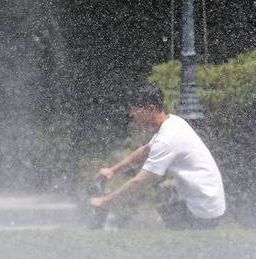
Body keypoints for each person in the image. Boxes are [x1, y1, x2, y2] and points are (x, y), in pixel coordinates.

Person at [89, 84, 225, 230]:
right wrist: (113, 170)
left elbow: (139, 182)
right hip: (202, 202)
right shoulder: (173, 122)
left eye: (136, 109)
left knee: (135, 227)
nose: (133, 114)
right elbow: (145, 150)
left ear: (151, 109)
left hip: (202, 211)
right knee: (147, 225)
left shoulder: (167, 139)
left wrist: (104, 201)